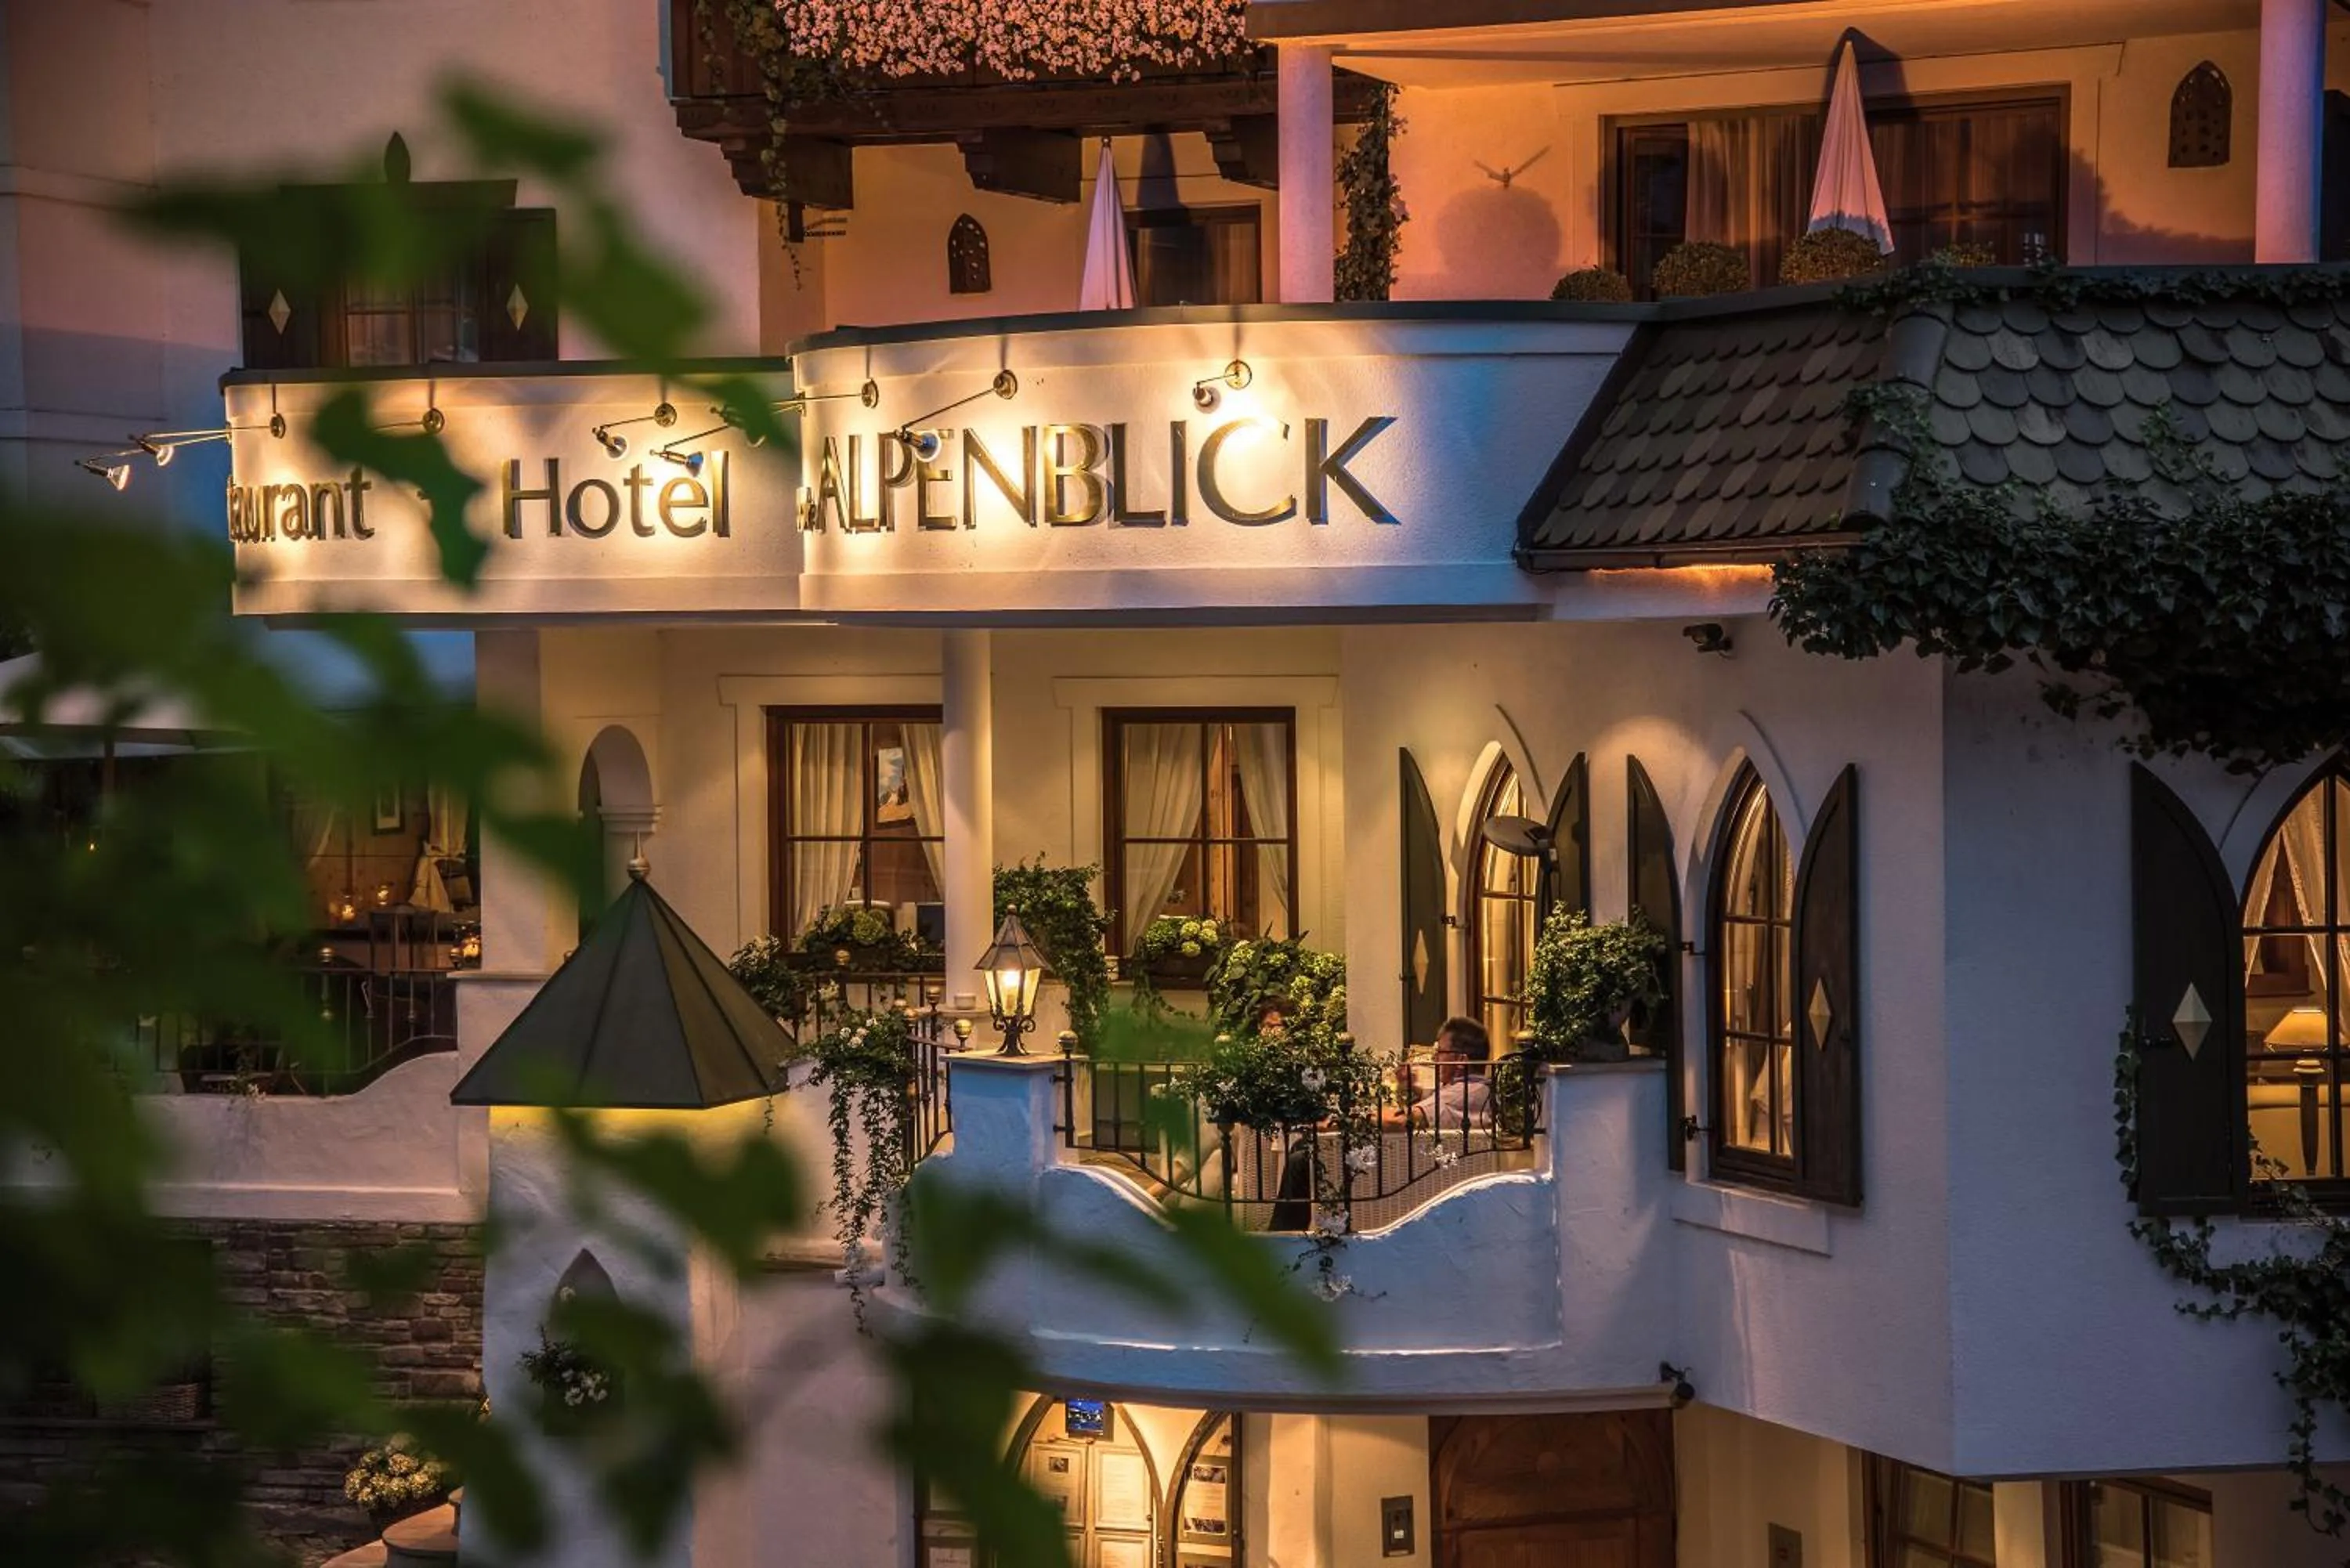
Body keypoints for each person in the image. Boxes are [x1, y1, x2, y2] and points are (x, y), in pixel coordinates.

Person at [1383, 1017, 1495, 1131]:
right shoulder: (1478, 1087)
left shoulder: (1461, 1093)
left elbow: (1398, 1122)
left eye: (1440, 1052)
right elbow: (1437, 1098)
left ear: (1461, 1060)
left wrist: (1366, 1117)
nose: (1435, 1058)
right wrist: (1413, 1087)